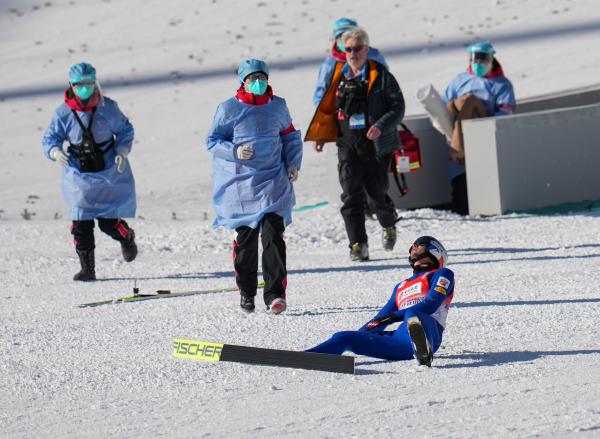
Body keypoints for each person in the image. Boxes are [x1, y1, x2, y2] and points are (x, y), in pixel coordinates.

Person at [206, 59, 303, 315]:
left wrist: (293, 162)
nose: (257, 82)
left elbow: (290, 135)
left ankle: (275, 296)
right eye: (252, 78)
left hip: (273, 183)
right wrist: (235, 150)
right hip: (240, 187)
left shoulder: (278, 106)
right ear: (243, 82)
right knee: (246, 244)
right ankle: (247, 293)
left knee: (273, 237)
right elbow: (213, 141)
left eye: (262, 77)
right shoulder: (228, 109)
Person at [305, 27, 404, 262]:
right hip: (347, 143)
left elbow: (398, 107)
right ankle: (358, 244)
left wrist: (381, 125)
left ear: (366, 50)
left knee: (376, 193)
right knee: (350, 194)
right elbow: (328, 107)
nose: (352, 53)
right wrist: (321, 134)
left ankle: (388, 223)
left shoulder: (381, 76)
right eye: (347, 49)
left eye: (357, 48)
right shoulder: (338, 76)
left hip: (376, 144)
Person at [42, 62, 137, 281]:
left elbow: (125, 130)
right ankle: (88, 270)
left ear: (95, 83)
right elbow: (50, 138)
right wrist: (55, 151)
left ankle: (126, 237)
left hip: (108, 171)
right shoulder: (63, 113)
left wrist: (122, 150)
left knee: (108, 222)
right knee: (80, 224)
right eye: (79, 84)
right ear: (71, 85)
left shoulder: (107, 108)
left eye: (88, 83)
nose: (84, 88)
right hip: (78, 174)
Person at [307, 236, 454, 367]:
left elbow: (431, 303)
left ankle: (423, 350)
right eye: (413, 245)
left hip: (430, 330)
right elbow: (381, 318)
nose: (414, 246)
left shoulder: (443, 274)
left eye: (420, 243)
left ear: (435, 251)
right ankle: (309, 357)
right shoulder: (401, 286)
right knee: (343, 336)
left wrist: (395, 316)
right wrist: (360, 336)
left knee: (413, 313)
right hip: (400, 340)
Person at [313, 18, 391, 221]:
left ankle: (382, 211)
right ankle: (360, 213)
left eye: (348, 34)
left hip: (372, 123)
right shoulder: (330, 64)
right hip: (347, 127)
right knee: (350, 172)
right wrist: (325, 126)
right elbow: (320, 97)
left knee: (375, 173)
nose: (346, 42)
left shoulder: (373, 56)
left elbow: (387, 86)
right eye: (340, 36)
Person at [442, 40, 516, 215]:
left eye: (483, 60)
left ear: (491, 59)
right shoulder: (460, 80)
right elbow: (444, 105)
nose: (478, 64)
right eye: (475, 60)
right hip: (459, 141)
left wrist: (481, 127)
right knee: (460, 186)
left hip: (486, 142)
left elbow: (506, 112)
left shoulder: (501, 84)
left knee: (484, 184)